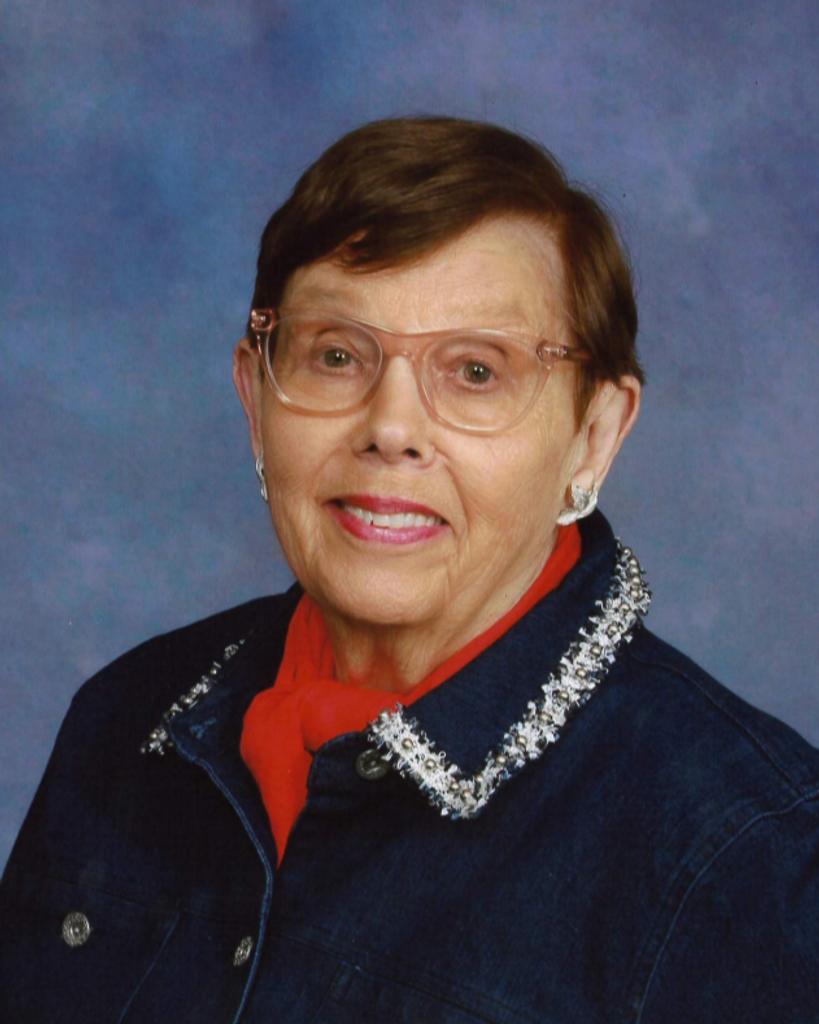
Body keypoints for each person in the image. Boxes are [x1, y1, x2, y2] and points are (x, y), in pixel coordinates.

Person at [1, 116, 817, 1024]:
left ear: (592, 435)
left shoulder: (746, 854)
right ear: (256, 397)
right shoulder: (123, 722)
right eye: (336, 355)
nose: (390, 429)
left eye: (476, 371)